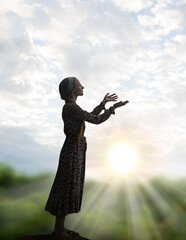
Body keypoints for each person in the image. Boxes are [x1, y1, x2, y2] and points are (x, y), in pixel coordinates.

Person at [45, 77, 128, 237]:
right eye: (79, 84)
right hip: (72, 152)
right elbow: (95, 119)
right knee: (66, 186)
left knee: (68, 186)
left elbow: (88, 116)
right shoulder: (71, 108)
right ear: (72, 90)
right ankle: (59, 230)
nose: (82, 86)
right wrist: (111, 109)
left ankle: (60, 228)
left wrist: (103, 104)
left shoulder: (72, 108)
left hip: (75, 151)